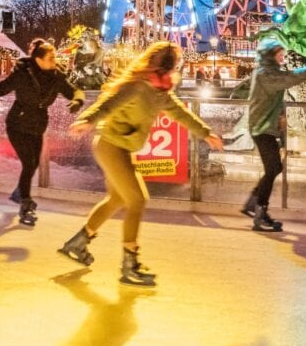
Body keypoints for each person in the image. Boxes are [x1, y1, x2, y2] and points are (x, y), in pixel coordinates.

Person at [58, 41, 224, 286]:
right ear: (163, 65)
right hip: (111, 145)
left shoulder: (160, 92)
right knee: (137, 199)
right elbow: (108, 104)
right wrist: (87, 119)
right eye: (171, 64)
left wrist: (206, 132)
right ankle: (130, 265)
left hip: (121, 147)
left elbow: (181, 114)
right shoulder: (138, 86)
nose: (172, 68)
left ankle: (79, 242)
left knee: (117, 199)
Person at [0, 39, 84, 226]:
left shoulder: (56, 76)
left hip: (37, 126)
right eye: (51, 58)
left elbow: (74, 91)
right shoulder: (22, 75)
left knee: (33, 165)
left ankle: (20, 192)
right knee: (29, 163)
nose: (54, 60)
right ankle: (25, 205)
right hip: (17, 125)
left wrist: (77, 101)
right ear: (39, 60)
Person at [241, 39, 306, 232]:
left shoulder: (267, 73)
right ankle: (259, 213)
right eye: (279, 54)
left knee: (274, 168)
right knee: (273, 168)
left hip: (265, 127)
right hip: (261, 128)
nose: (283, 57)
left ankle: (253, 204)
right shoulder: (266, 75)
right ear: (270, 55)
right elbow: (291, 78)